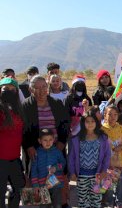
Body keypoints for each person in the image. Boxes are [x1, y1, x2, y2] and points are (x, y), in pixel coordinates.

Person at [22, 75, 70, 206]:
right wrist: (29, 146)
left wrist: (61, 142)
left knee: (57, 180)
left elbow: (65, 124)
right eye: (36, 88)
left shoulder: (56, 103)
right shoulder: (26, 106)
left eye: (44, 86)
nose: (41, 90)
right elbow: (23, 130)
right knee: (36, 179)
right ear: (31, 90)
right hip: (35, 151)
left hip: (55, 149)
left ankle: (61, 203)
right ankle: (37, 203)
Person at [68, 110, 111, 208]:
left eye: (92, 121)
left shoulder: (102, 138)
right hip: (82, 175)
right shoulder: (77, 139)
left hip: (97, 176)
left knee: (96, 200)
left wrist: (104, 170)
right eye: (87, 121)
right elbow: (71, 157)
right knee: (83, 200)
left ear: (96, 122)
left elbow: (107, 155)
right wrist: (72, 172)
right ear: (83, 123)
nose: (90, 124)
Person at [0, 77, 25, 208]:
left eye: (12, 89)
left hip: (15, 158)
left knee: (18, 187)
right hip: (1, 159)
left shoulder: (18, 110)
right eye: (5, 89)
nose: (8, 91)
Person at [101, 105, 122, 207]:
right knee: (108, 183)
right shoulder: (102, 129)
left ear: (118, 116)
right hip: (107, 163)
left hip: (119, 162)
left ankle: (119, 200)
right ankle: (109, 201)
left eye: (115, 115)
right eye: (109, 114)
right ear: (105, 115)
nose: (112, 117)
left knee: (120, 182)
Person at [31, 129, 66, 208]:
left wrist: (56, 168)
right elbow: (34, 171)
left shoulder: (57, 152)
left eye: (50, 140)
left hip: (56, 183)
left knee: (57, 204)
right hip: (42, 185)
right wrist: (35, 185)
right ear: (39, 141)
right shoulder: (37, 154)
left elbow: (63, 164)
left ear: (54, 140)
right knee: (44, 205)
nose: (48, 142)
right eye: (45, 140)